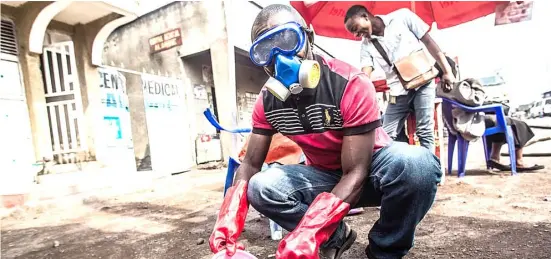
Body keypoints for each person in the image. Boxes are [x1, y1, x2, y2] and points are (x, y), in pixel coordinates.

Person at [209, 4, 442, 259]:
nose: (280, 58)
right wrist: (229, 214)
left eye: (288, 40)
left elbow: (356, 172)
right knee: (261, 187)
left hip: (374, 171)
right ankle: (336, 236)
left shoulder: (350, 84)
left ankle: (384, 251)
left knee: (417, 165)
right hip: (325, 177)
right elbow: (250, 164)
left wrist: (308, 230)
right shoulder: (268, 101)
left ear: (309, 37)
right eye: (266, 50)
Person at [344, 5, 456, 153]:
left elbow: (429, 42)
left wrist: (447, 71)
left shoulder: (402, 17)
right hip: (398, 93)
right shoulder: (366, 46)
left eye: (355, 28)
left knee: (424, 131)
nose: (356, 34)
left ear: (365, 16)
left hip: (424, 83)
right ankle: (400, 167)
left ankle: (429, 173)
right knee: (385, 136)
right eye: (353, 32)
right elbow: (365, 74)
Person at [439, 58, 545, 172]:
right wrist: (474, 84)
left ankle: (495, 157)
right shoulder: (454, 87)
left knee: (495, 119)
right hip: (467, 124)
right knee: (516, 123)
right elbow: (475, 101)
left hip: (456, 123)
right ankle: (519, 161)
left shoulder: (439, 89)